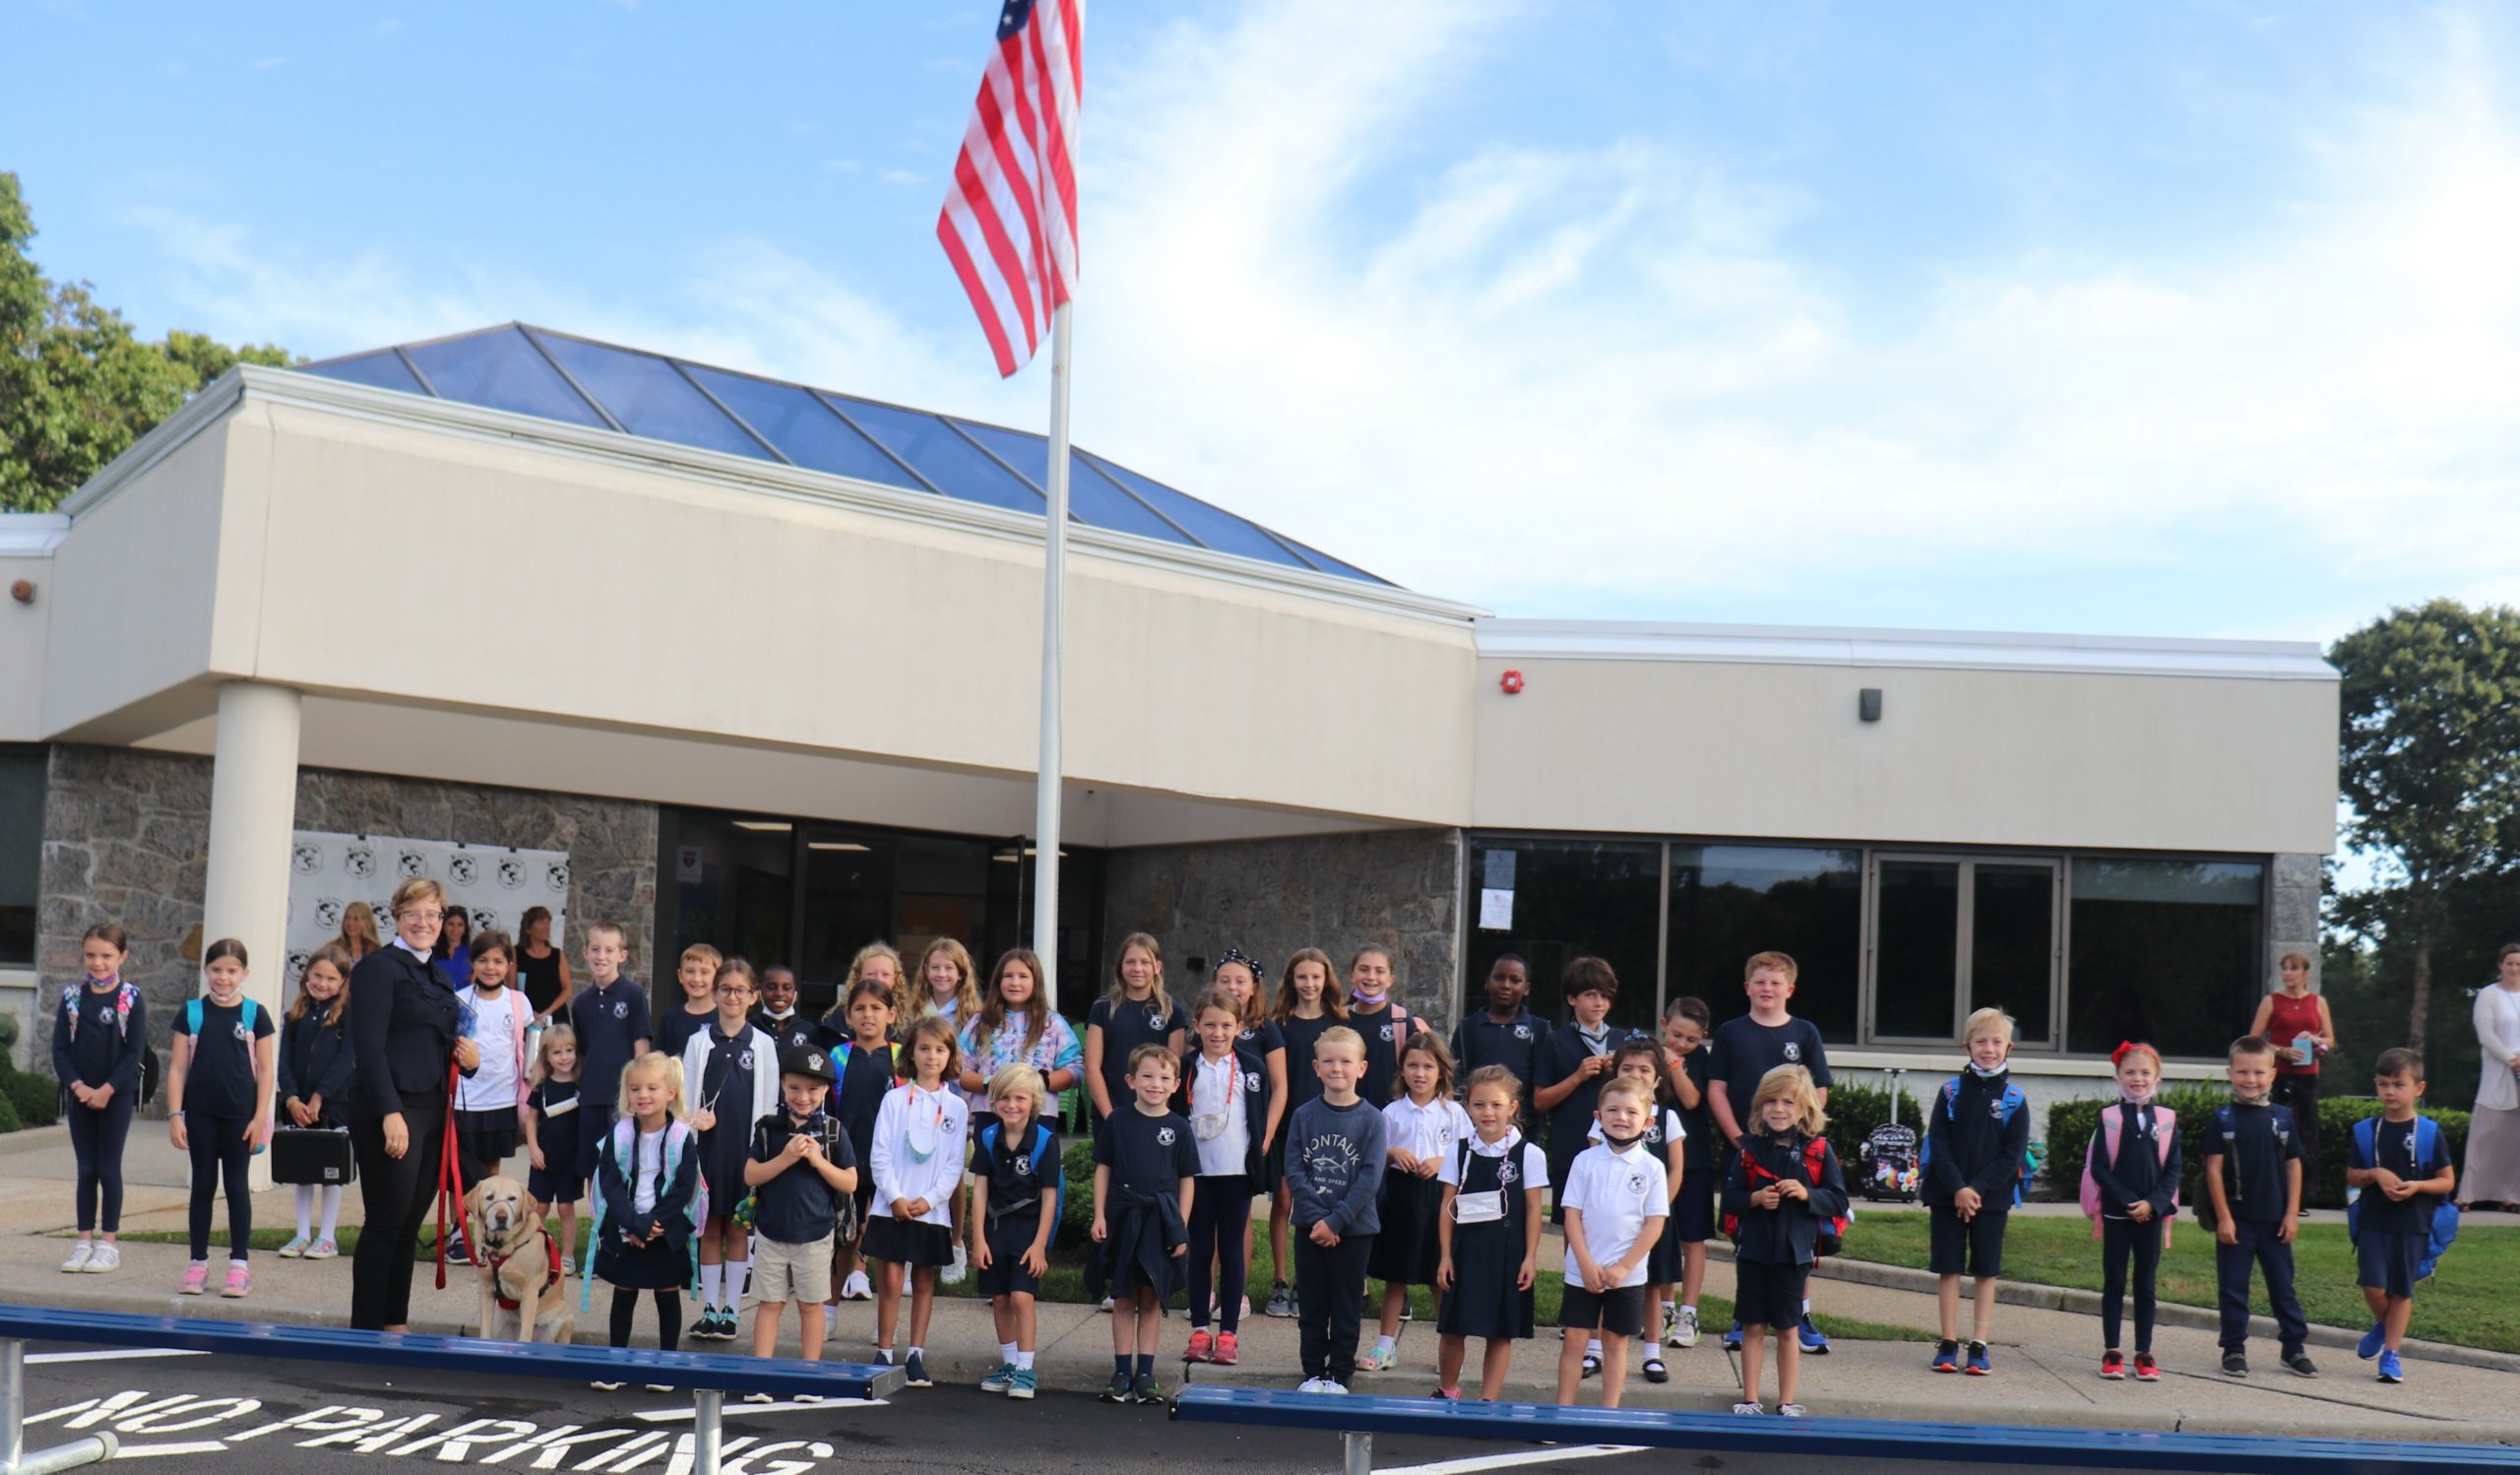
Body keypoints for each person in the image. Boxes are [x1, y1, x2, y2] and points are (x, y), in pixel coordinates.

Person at [347, 876, 481, 1332]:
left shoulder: (439, 974)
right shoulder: (376, 969)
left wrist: (470, 1060)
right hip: (390, 1109)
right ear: (397, 917)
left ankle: (394, 1323)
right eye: (414, 914)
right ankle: (365, 1330)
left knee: (408, 1223)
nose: (424, 923)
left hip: (432, 1112)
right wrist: (390, 1113)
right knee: (386, 1220)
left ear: (444, 921)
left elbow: (439, 1041)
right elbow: (368, 1049)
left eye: (432, 914)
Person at [1705, 950, 1834, 1355]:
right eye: (1760, 981)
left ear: (1789, 989)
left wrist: (1803, 1136)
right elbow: (1717, 1089)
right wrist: (1740, 1138)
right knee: (1747, 1231)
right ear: (1747, 987)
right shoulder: (1730, 1032)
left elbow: (1820, 1091)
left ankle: (1800, 1314)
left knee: (1799, 1234)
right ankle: (1747, 1316)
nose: (1767, 989)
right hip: (1748, 1153)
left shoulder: (1805, 1033)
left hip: (1795, 1154)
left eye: (1776, 983)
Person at [1723, 1064, 1846, 1418]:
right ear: (1760, 1106)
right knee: (1753, 1326)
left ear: (1805, 1108)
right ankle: (1750, 1399)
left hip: (1795, 1253)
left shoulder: (1819, 1150)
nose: (1779, 1109)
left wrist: (1807, 1194)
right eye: (1771, 1101)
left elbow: (1838, 1200)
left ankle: (1787, 1400)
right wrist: (1754, 1199)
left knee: (1789, 1327)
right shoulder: (1748, 1150)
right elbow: (1729, 1199)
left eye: (1788, 1102)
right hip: (1754, 1250)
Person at [584, 1052, 703, 1389]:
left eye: (652, 1087)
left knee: (667, 1291)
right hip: (627, 1225)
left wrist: (652, 1224)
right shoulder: (619, 1133)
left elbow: (683, 1188)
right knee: (625, 1291)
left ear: (671, 1092)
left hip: (666, 1225)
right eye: (635, 1089)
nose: (643, 1095)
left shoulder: (682, 1136)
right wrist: (633, 1223)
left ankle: (666, 1366)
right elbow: (610, 1182)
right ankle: (616, 1364)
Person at [1089, 1043, 1198, 1405]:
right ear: (1131, 1080)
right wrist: (1100, 1214)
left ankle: (1146, 1373)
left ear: (1175, 1084)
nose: (1155, 1083)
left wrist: (1179, 1226)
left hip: (1160, 1219)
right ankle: (1122, 1371)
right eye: (1147, 1076)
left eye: (1164, 1077)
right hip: (1123, 1216)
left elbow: (1187, 1179)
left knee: (1151, 1298)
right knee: (1123, 1297)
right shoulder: (1118, 1121)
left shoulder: (1179, 1128)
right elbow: (1103, 1168)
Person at [168, 937, 278, 1298]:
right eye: (216, 969)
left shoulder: (254, 1014)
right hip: (200, 1115)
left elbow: (265, 1070)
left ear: (244, 973)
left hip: (239, 1118)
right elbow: (178, 1068)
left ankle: (239, 1267)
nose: (223, 978)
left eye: (232, 971)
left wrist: (259, 1116)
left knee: (235, 1187)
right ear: (206, 970)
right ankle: (197, 1264)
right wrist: (175, 1115)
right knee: (202, 1186)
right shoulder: (192, 1013)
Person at [2201, 1036, 2315, 1379]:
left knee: (2284, 1288)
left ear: (2273, 1074)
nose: (2250, 1080)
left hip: (2276, 1222)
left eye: (2258, 1073)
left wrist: (2292, 1213)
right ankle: (2234, 1348)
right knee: (2234, 1288)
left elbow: (2294, 1166)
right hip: (2237, 1222)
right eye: (2242, 1072)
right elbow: (2213, 1170)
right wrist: (2224, 1218)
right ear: (2229, 1073)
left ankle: (2293, 1348)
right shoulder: (2222, 1119)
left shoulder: (2283, 1118)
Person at [1923, 1007, 2030, 1377]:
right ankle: (1949, 1341)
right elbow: (1938, 1142)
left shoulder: (2015, 1098)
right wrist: (1957, 1187)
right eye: (1981, 1041)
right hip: (1946, 1194)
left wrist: (1976, 1189)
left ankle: (1980, 1344)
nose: (1989, 1048)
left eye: (1996, 1041)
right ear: (1966, 1045)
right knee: (1949, 1267)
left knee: (1986, 1271)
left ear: (2009, 1048)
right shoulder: (1951, 1091)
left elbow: (2011, 1155)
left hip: (1992, 1198)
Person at [864, 1015, 969, 1387]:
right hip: (891, 1206)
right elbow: (880, 1155)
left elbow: (954, 1165)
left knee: (923, 1280)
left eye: (940, 1049)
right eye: (924, 1048)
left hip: (931, 1210)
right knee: (891, 1280)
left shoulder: (956, 1107)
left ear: (950, 1056)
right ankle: (884, 1351)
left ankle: (916, 1355)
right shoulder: (894, 1099)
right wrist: (895, 1197)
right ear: (911, 1053)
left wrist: (928, 1200)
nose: (932, 1056)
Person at [743, 1043, 858, 1378]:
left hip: (815, 1233)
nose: (803, 1097)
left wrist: (817, 1159)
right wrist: (786, 1158)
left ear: (825, 1090)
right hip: (770, 1231)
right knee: (770, 1304)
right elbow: (751, 1175)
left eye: (812, 1089)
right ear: (782, 1085)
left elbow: (850, 1182)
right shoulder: (768, 1128)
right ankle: (760, 1375)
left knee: (811, 1305)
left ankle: (810, 1373)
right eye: (794, 1088)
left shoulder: (834, 1131)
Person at [1360, 1030, 1472, 1375]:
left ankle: (1448, 1351)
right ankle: (1384, 1346)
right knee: (1398, 1275)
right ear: (1402, 1070)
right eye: (1412, 1066)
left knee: (1440, 1276)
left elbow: (1468, 1154)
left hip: (1440, 1200)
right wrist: (1393, 1152)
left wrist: (1441, 1162)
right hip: (1401, 1199)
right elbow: (1375, 1153)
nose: (1419, 1073)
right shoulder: (1392, 1113)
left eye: (1427, 1066)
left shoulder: (1453, 1113)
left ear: (1441, 1071)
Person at [1435, 1064, 1548, 1402]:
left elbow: (1532, 1209)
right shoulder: (1457, 1151)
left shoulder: (1529, 1154)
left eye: (1496, 1105)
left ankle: (1488, 1401)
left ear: (1512, 1108)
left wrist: (1529, 1257)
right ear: (1467, 1106)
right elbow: (1447, 1204)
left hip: (1507, 1253)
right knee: (1454, 1328)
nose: (1488, 1112)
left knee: (1501, 1331)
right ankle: (1448, 1391)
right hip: (1465, 1251)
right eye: (1479, 1104)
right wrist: (1444, 1255)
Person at [679, 957, 779, 1341]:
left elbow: (769, 1104)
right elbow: (684, 1096)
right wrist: (691, 1122)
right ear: (715, 994)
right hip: (707, 1149)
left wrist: (763, 1154)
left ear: (753, 996)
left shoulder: (764, 1045)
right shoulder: (698, 1042)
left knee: (738, 1228)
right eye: (725, 989)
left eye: (740, 990)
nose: (732, 996)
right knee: (709, 1229)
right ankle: (708, 1307)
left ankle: (732, 1311)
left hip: (744, 1151)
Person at [1285, 1026, 1386, 1395]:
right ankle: (1313, 1371)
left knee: (1346, 1305)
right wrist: (1317, 1220)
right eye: (1329, 1061)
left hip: (1354, 1230)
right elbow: (1295, 1170)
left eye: (1346, 1061)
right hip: (1311, 1229)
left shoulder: (1372, 1119)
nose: (1337, 1068)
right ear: (1316, 1067)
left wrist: (1337, 1220)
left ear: (1362, 1067)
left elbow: (1370, 1176)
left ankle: (1340, 1373)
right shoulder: (1304, 1116)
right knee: (1312, 1303)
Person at [1554, 1074, 1667, 1409]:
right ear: (1598, 1117)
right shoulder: (1585, 1161)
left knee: (1616, 1342)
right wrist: (1586, 1264)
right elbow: (1572, 1215)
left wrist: (1624, 1267)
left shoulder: (1652, 1168)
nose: (1621, 1117)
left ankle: (1609, 1416)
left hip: (1627, 1276)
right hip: (1582, 1271)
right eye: (1613, 1110)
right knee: (1575, 1340)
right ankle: (1561, 1413)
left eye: (1631, 1112)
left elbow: (1654, 1224)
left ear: (1648, 1122)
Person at [2348, 1048, 2458, 1385]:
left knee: (2401, 1291)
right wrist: (2375, 1174)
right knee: (2372, 1284)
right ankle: (2384, 1324)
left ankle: (2392, 1354)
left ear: (2418, 1089)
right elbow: (2353, 1174)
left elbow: (2447, 1180)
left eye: (2398, 1084)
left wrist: (2417, 1187)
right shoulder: (2366, 1130)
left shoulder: (2429, 1132)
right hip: (2373, 1220)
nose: (2390, 1092)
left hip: (2413, 1223)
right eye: (2383, 1084)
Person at [1176, 987, 1270, 1367]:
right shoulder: (1185, 1067)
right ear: (1196, 1026)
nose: (1217, 1032)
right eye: (1210, 1025)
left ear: (1239, 1027)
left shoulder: (1251, 1068)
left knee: (1231, 1250)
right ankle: (1200, 1327)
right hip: (1196, 1174)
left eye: (1226, 1025)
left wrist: (1258, 1166)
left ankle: (1228, 1332)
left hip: (1235, 1172)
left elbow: (1257, 1120)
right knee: (1199, 1251)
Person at [1585, 1039, 1686, 1383]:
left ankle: (1652, 1353)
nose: (1636, 1075)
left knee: (1653, 1285)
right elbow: (1595, 1164)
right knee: (1602, 1280)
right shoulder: (1606, 1117)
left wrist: (1657, 1211)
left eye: (1645, 1070)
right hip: (1613, 1221)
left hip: (1651, 1221)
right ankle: (1594, 1349)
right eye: (1628, 1068)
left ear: (1657, 1079)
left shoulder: (1668, 1117)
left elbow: (1676, 1169)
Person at [53, 922, 147, 1276]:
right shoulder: (72, 998)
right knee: (86, 1170)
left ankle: (108, 1244)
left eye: (106, 956)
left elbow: (133, 1053)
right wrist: (78, 1087)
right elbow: (60, 1051)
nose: (98, 962)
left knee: (108, 1169)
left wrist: (107, 1090)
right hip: (80, 1097)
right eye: (91, 955)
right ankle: (83, 1241)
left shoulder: (131, 999)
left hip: (115, 1097)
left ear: (122, 956)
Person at [2084, 1040, 2178, 1382]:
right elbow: (2100, 1168)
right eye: (2130, 1072)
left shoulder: (2167, 1119)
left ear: (2158, 1078)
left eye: (2144, 1073)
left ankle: (2144, 1352)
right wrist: (2127, 1201)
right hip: (2116, 1214)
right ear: (2117, 1077)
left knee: (2146, 1284)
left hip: (2151, 1216)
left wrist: (2153, 1203)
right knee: (2114, 1282)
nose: (2137, 1078)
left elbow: (2174, 1169)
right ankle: (2112, 1351)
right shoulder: (2109, 1117)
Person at [1263, 946, 1345, 1319]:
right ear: (1291, 981)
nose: (1309, 983)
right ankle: (1280, 1281)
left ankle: (1307, 1283)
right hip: (1285, 1125)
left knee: (1316, 1205)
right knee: (1283, 1202)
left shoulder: (1338, 1022)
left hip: (1326, 1128)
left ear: (1326, 979)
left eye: (1316, 976)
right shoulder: (1278, 1022)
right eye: (1302, 977)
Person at [971, 1063, 1060, 1400]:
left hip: (1028, 1230)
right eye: (1004, 1098)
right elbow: (980, 1190)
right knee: (1000, 1298)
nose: (1012, 1105)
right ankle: (1008, 1364)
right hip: (995, 1228)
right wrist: (978, 1238)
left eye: (1020, 1098)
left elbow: (1050, 1196)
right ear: (993, 1102)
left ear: (1034, 1102)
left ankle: (1025, 1368)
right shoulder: (989, 1138)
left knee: (1022, 1296)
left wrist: (1040, 1246)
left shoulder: (1045, 1142)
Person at [447, 930, 534, 1266]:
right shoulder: (461, 1000)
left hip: (502, 1097)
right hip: (466, 1098)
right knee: (462, 1171)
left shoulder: (518, 1001)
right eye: (483, 960)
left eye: (498, 961)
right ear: (473, 964)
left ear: (509, 964)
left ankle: (488, 1232)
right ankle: (460, 1231)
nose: (491, 967)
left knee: (492, 1168)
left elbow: (525, 1043)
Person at [1212, 947, 1288, 1305]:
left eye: (1240, 981)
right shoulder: (1208, 1026)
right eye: (1225, 980)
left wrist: (1267, 1135)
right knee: (1206, 1219)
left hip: (1249, 1139)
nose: (1233, 986)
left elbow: (1280, 1087)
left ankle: (1235, 1293)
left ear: (1254, 988)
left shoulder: (1265, 1030)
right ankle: (1208, 1291)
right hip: (1209, 1138)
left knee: (1238, 1216)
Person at [277, 942, 355, 1260]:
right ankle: (301, 1233)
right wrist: (293, 1098)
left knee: (330, 1170)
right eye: (317, 976)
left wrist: (321, 1095)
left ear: (343, 982)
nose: (323, 984)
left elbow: (346, 1059)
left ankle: (327, 1236)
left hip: (332, 1106)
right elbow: (283, 1061)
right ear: (307, 974)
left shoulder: (347, 1016)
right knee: (303, 1169)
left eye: (331, 979)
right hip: (299, 1105)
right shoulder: (296, 1015)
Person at [1532, 956, 1620, 1228]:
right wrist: (1577, 1077)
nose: (1599, 1003)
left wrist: (1621, 1068)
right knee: (1574, 1219)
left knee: (1615, 1217)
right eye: (1590, 995)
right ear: (1572, 999)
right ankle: (1574, 1271)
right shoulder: (1555, 1041)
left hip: (1617, 1146)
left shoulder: (1622, 1040)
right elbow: (1539, 1100)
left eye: (1605, 996)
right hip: (1571, 1146)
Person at [828, 977, 900, 1305]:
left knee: (885, 1243)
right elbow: (827, 1111)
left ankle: (884, 1323)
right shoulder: (838, 1057)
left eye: (876, 1008)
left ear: (892, 1015)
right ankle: (828, 1310)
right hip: (847, 1161)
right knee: (843, 1238)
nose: (868, 1015)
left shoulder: (902, 1059)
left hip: (890, 1163)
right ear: (848, 1016)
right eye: (859, 1008)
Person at [569, 922, 653, 1193]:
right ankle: (599, 1229)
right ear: (585, 953)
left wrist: (636, 1094)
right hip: (591, 1097)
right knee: (595, 1167)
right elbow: (581, 1054)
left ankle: (622, 1228)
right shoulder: (581, 1003)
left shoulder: (633, 994)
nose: (601, 956)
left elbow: (641, 1047)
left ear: (622, 955)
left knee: (623, 1165)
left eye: (608, 950)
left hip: (621, 1100)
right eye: (595, 949)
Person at [2251, 952, 2335, 1206]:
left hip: (2307, 1076)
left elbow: (2330, 1039)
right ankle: (2271, 1192)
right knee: (2275, 1132)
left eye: (2294, 969)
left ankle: (2302, 1197)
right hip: (2279, 1075)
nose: (2288, 973)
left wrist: (2315, 1039)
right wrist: (2282, 1051)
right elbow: (2254, 1040)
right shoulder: (2272, 1001)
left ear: (2306, 974)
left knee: (2306, 1134)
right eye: (2284, 968)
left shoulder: (2318, 1002)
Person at [1087, 934, 1183, 1152]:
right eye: (1130, 961)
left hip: (1156, 1113)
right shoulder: (1103, 1009)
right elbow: (1092, 1067)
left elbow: (1174, 1068)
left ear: (1157, 967)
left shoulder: (1172, 1011)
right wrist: (1110, 1116)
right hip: (1111, 1109)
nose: (1137, 968)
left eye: (1145, 962)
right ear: (1121, 967)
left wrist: (1159, 1114)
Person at [958, 948, 1084, 1116]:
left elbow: (1075, 1070)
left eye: (1023, 976)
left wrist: (1038, 1082)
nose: (1015, 983)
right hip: (989, 1112)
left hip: (1039, 1114)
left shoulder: (1053, 1024)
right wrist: (993, 1084)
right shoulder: (980, 1022)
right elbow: (958, 1069)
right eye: (1008, 976)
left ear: (1036, 981)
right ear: (998, 981)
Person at [1659, 996, 1717, 1350]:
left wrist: (1676, 1063)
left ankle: (1688, 1313)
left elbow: (1692, 1100)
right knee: (1660, 1235)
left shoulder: (1699, 1061)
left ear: (1703, 1038)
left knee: (1692, 1240)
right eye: (1676, 1035)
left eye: (1691, 1040)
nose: (1681, 1043)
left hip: (1693, 1160)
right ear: (1664, 1025)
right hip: (1655, 1161)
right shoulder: (1647, 1054)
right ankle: (1664, 1307)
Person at [1450, 953, 1547, 1122]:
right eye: (1499, 978)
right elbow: (1456, 1078)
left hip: (1522, 1127)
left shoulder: (1538, 1028)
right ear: (1487, 982)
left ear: (1526, 988)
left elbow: (1542, 1081)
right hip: (1477, 1123)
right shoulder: (1468, 1027)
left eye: (1515, 980)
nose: (1505, 985)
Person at [524, 1024, 586, 1273]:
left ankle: (567, 1256)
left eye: (569, 1050)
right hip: (543, 1159)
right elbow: (530, 1120)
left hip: (570, 1161)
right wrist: (533, 1148)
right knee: (539, 1207)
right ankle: (535, 1252)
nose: (564, 1057)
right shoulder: (542, 1087)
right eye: (557, 1052)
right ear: (547, 1056)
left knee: (565, 1207)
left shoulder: (581, 1087)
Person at [2463, 943, 2520, 1211]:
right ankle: (2468, 1194)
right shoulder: (2489, 995)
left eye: (2519, 964)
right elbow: (2486, 1035)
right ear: (2501, 965)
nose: (2514, 968)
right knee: (2485, 1134)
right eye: (2510, 963)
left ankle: (2511, 1196)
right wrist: (2512, 1060)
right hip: (2500, 1071)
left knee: (2515, 1140)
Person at [1346, 945, 1427, 1111]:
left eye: (1379, 971)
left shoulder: (1402, 1022)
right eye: (1364, 969)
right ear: (1351, 975)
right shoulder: (1338, 1020)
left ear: (1390, 980)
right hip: (1345, 1115)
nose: (1371, 977)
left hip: (1389, 1117)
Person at [653, 943, 724, 1062]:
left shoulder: (723, 1018)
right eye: (690, 971)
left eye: (704, 972)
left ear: (718, 978)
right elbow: (659, 1060)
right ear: (680, 976)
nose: (696, 979)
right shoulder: (670, 1018)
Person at [515, 906, 574, 1028]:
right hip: (526, 1017)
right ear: (528, 928)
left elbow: (567, 989)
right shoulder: (516, 953)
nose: (547, 927)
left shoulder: (557, 955)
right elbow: (512, 989)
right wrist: (529, 1013)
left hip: (556, 1017)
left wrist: (548, 1012)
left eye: (548, 923)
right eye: (541, 923)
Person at [907, 937, 981, 1033]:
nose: (941, 974)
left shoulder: (973, 1016)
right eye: (935, 967)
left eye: (949, 968)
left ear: (961, 973)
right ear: (926, 970)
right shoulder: (914, 1011)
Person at [752, 965, 820, 1058]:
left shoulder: (810, 1032)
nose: (779, 993)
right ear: (759, 993)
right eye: (771, 987)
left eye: (787, 988)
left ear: (796, 994)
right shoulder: (749, 1028)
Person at [432, 905, 472, 997]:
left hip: (465, 1005)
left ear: (465, 928)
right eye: (450, 924)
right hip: (437, 1003)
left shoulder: (473, 953)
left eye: (460, 925)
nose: (455, 929)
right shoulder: (430, 953)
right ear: (443, 926)